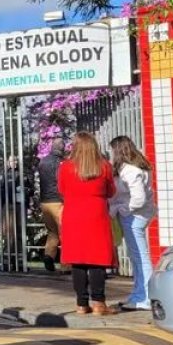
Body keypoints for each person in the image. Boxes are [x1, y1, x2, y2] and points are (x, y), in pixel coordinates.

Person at [57, 132, 117, 316]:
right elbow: (111, 191)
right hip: (96, 214)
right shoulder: (104, 166)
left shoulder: (66, 167)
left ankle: (81, 304)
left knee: (78, 261)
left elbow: (61, 189)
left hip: (73, 214)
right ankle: (99, 303)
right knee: (97, 260)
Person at [109, 135, 157, 311]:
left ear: (119, 150)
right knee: (137, 257)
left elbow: (139, 199)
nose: (112, 155)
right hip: (137, 215)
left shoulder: (131, 171)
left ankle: (145, 297)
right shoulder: (137, 167)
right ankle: (139, 294)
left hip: (135, 216)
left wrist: (121, 208)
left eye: (113, 151)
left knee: (139, 257)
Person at [37, 139, 66, 273]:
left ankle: (49, 255)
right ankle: (67, 264)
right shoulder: (62, 163)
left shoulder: (42, 162)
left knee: (52, 232)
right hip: (58, 201)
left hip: (45, 202)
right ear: (62, 148)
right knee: (65, 232)